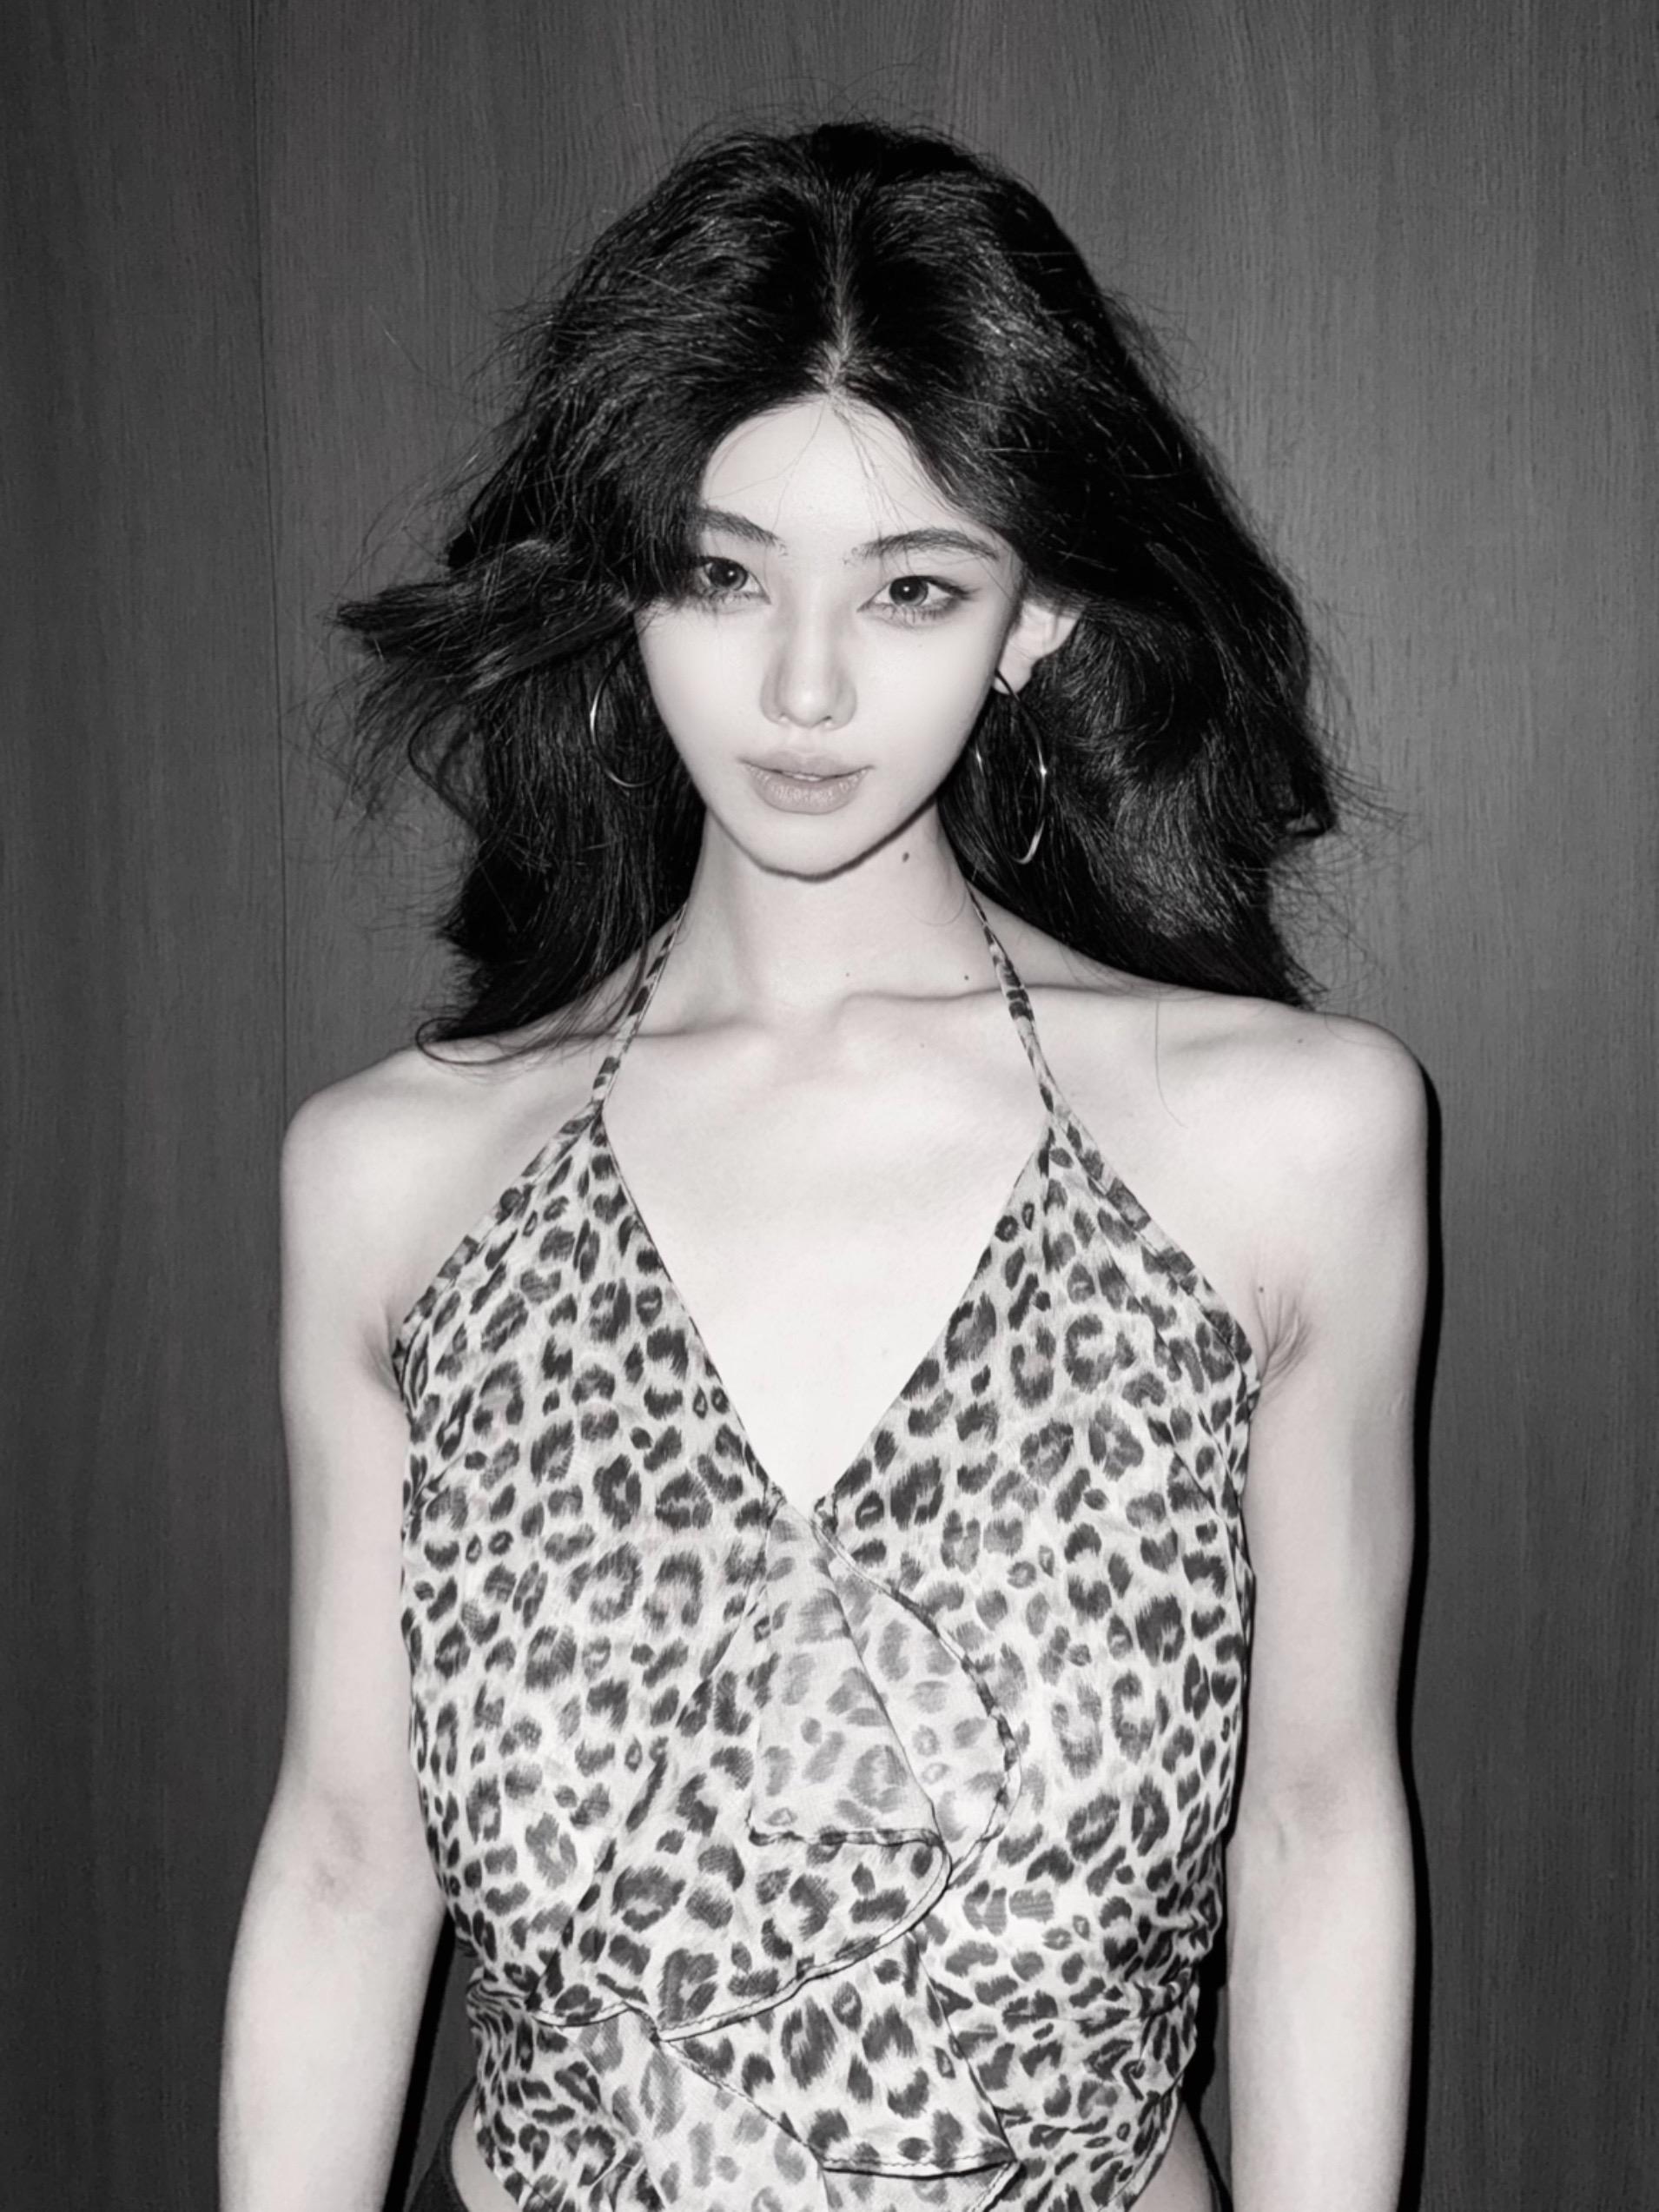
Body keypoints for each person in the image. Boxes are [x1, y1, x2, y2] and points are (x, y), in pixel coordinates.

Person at [220, 119, 1424, 2212]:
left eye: (910, 588)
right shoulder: (396, 1181)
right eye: (722, 573)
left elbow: (1315, 1825)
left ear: (1036, 611)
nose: (800, 686)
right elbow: (343, 1858)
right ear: (624, 583)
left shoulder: (1285, 1143)